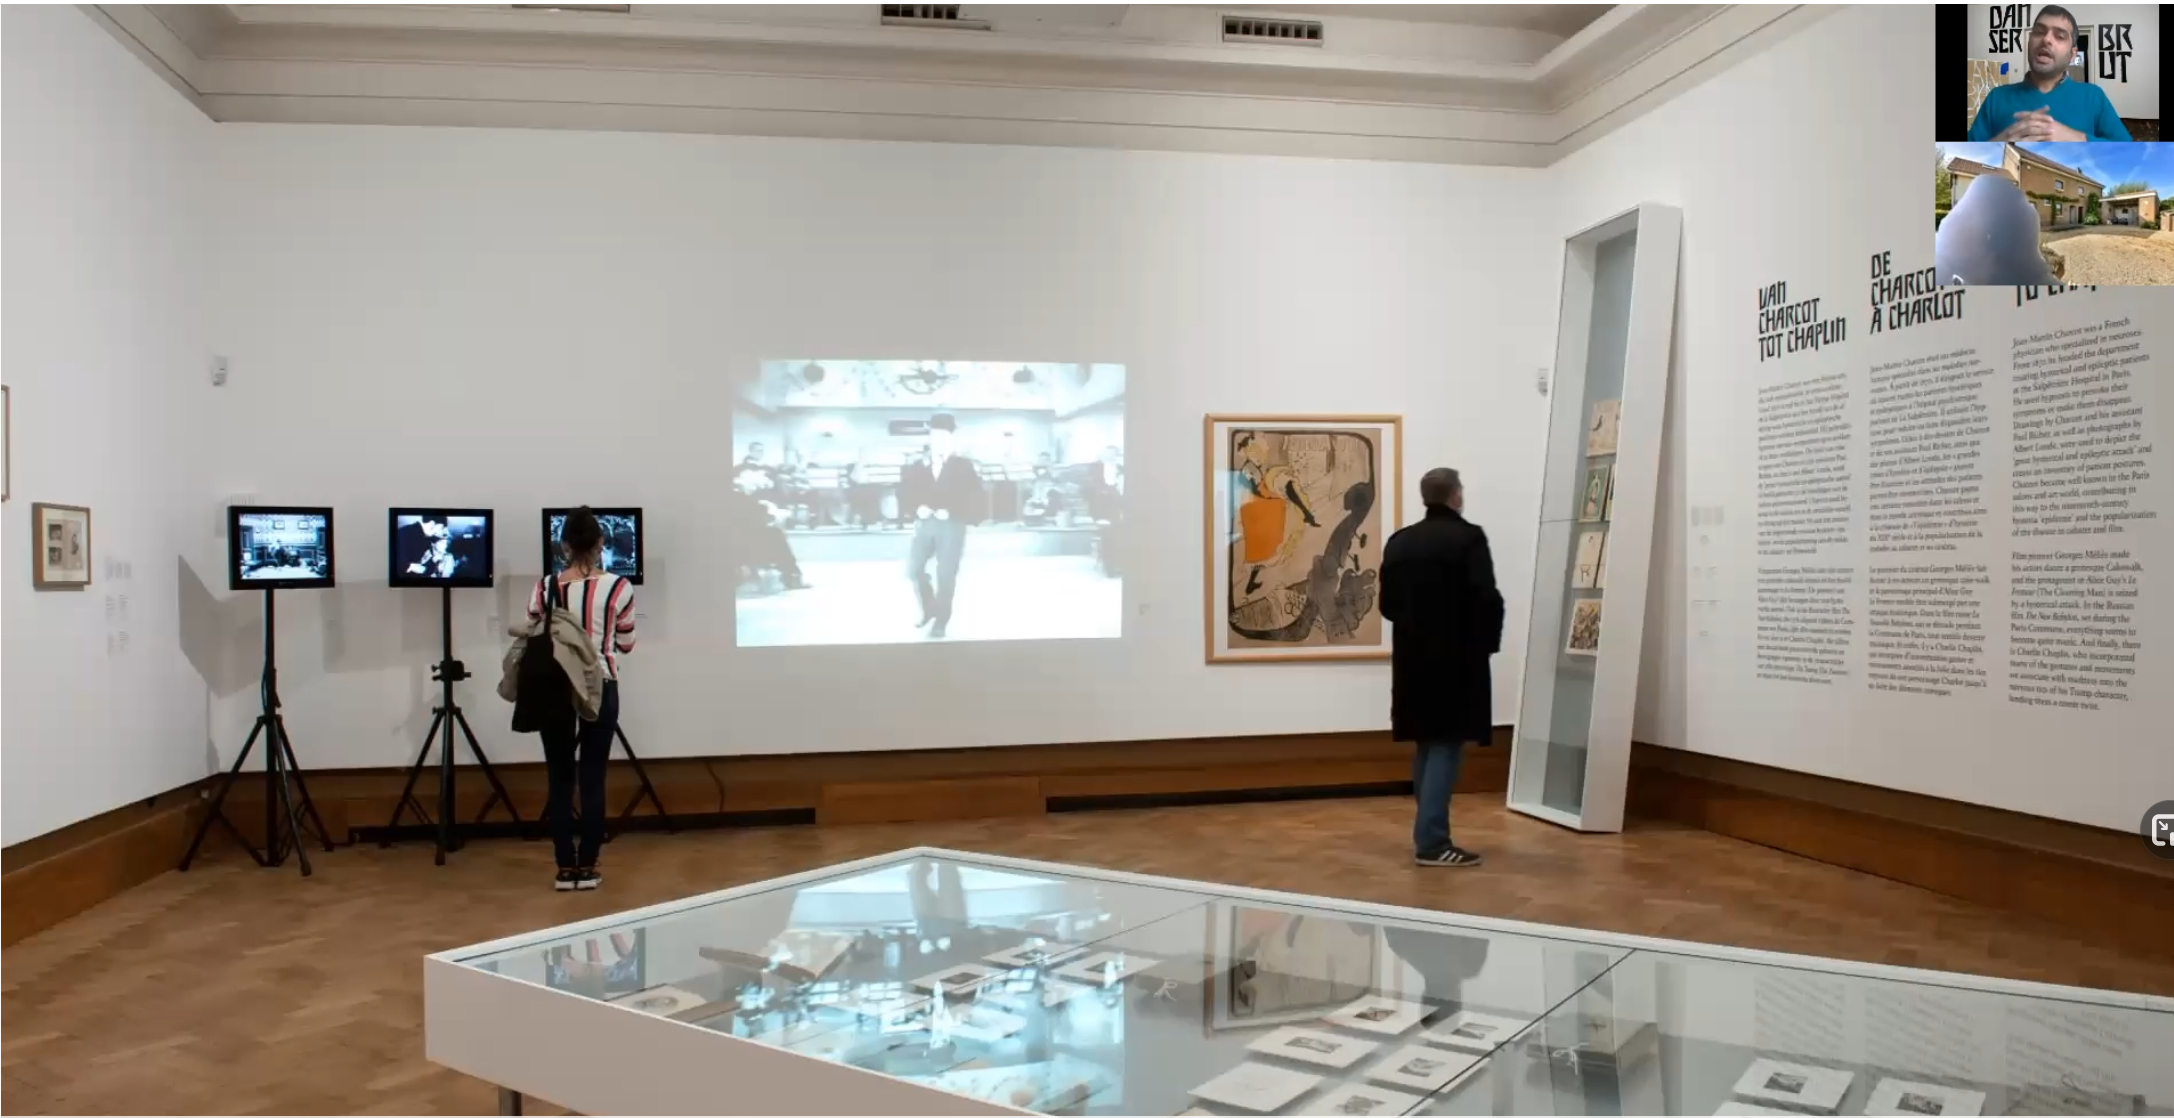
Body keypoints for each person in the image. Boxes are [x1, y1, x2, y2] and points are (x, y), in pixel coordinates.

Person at [1380, 468, 1503, 868]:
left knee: (1426, 742)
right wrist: (1485, 645)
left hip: (1413, 660)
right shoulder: (1468, 538)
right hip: (1457, 659)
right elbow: (1487, 598)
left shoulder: (1400, 542)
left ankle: (1428, 832)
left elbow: (1387, 606)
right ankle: (1432, 841)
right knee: (1447, 743)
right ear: (1455, 496)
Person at [530, 506, 636, 891]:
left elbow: (534, 629)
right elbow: (626, 643)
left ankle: (564, 867)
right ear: (601, 543)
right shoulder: (620, 588)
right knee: (594, 776)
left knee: (559, 778)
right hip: (601, 686)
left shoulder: (546, 587)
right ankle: (588, 865)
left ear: (563, 545)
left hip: (555, 688)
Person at [1966, 6, 2131, 142]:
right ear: (2029, 41)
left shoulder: (2094, 97)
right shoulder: (1996, 98)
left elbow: (2129, 152)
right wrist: (2000, 142)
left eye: (2059, 36)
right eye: (2039, 32)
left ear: (2073, 54)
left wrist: (2077, 139)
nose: (2046, 39)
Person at [901, 413, 983, 639]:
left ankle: (941, 620)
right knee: (914, 570)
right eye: (934, 436)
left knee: (946, 575)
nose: (938, 441)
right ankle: (930, 608)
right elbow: (907, 493)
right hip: (925, 525)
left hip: (951, 527)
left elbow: (975, 497)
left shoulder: (963, 466)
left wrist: (954, 511)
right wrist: (916, 508)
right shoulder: (919, 465)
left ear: (952, 438)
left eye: (943, 437)